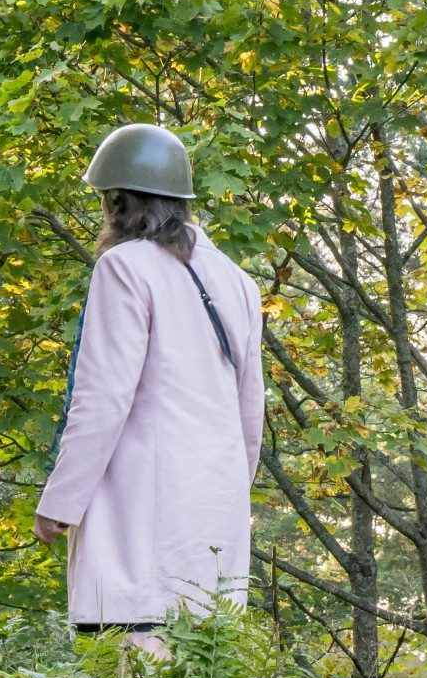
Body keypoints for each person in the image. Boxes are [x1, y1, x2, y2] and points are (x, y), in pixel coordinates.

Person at [35, 124, 266, 649]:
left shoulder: (123, 267)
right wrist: (231, 496)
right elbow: (250, 415)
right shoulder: (238, 281)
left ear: (116, 202)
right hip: (215, 519)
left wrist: (61, 499)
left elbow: (102, 399)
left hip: (139, 516)